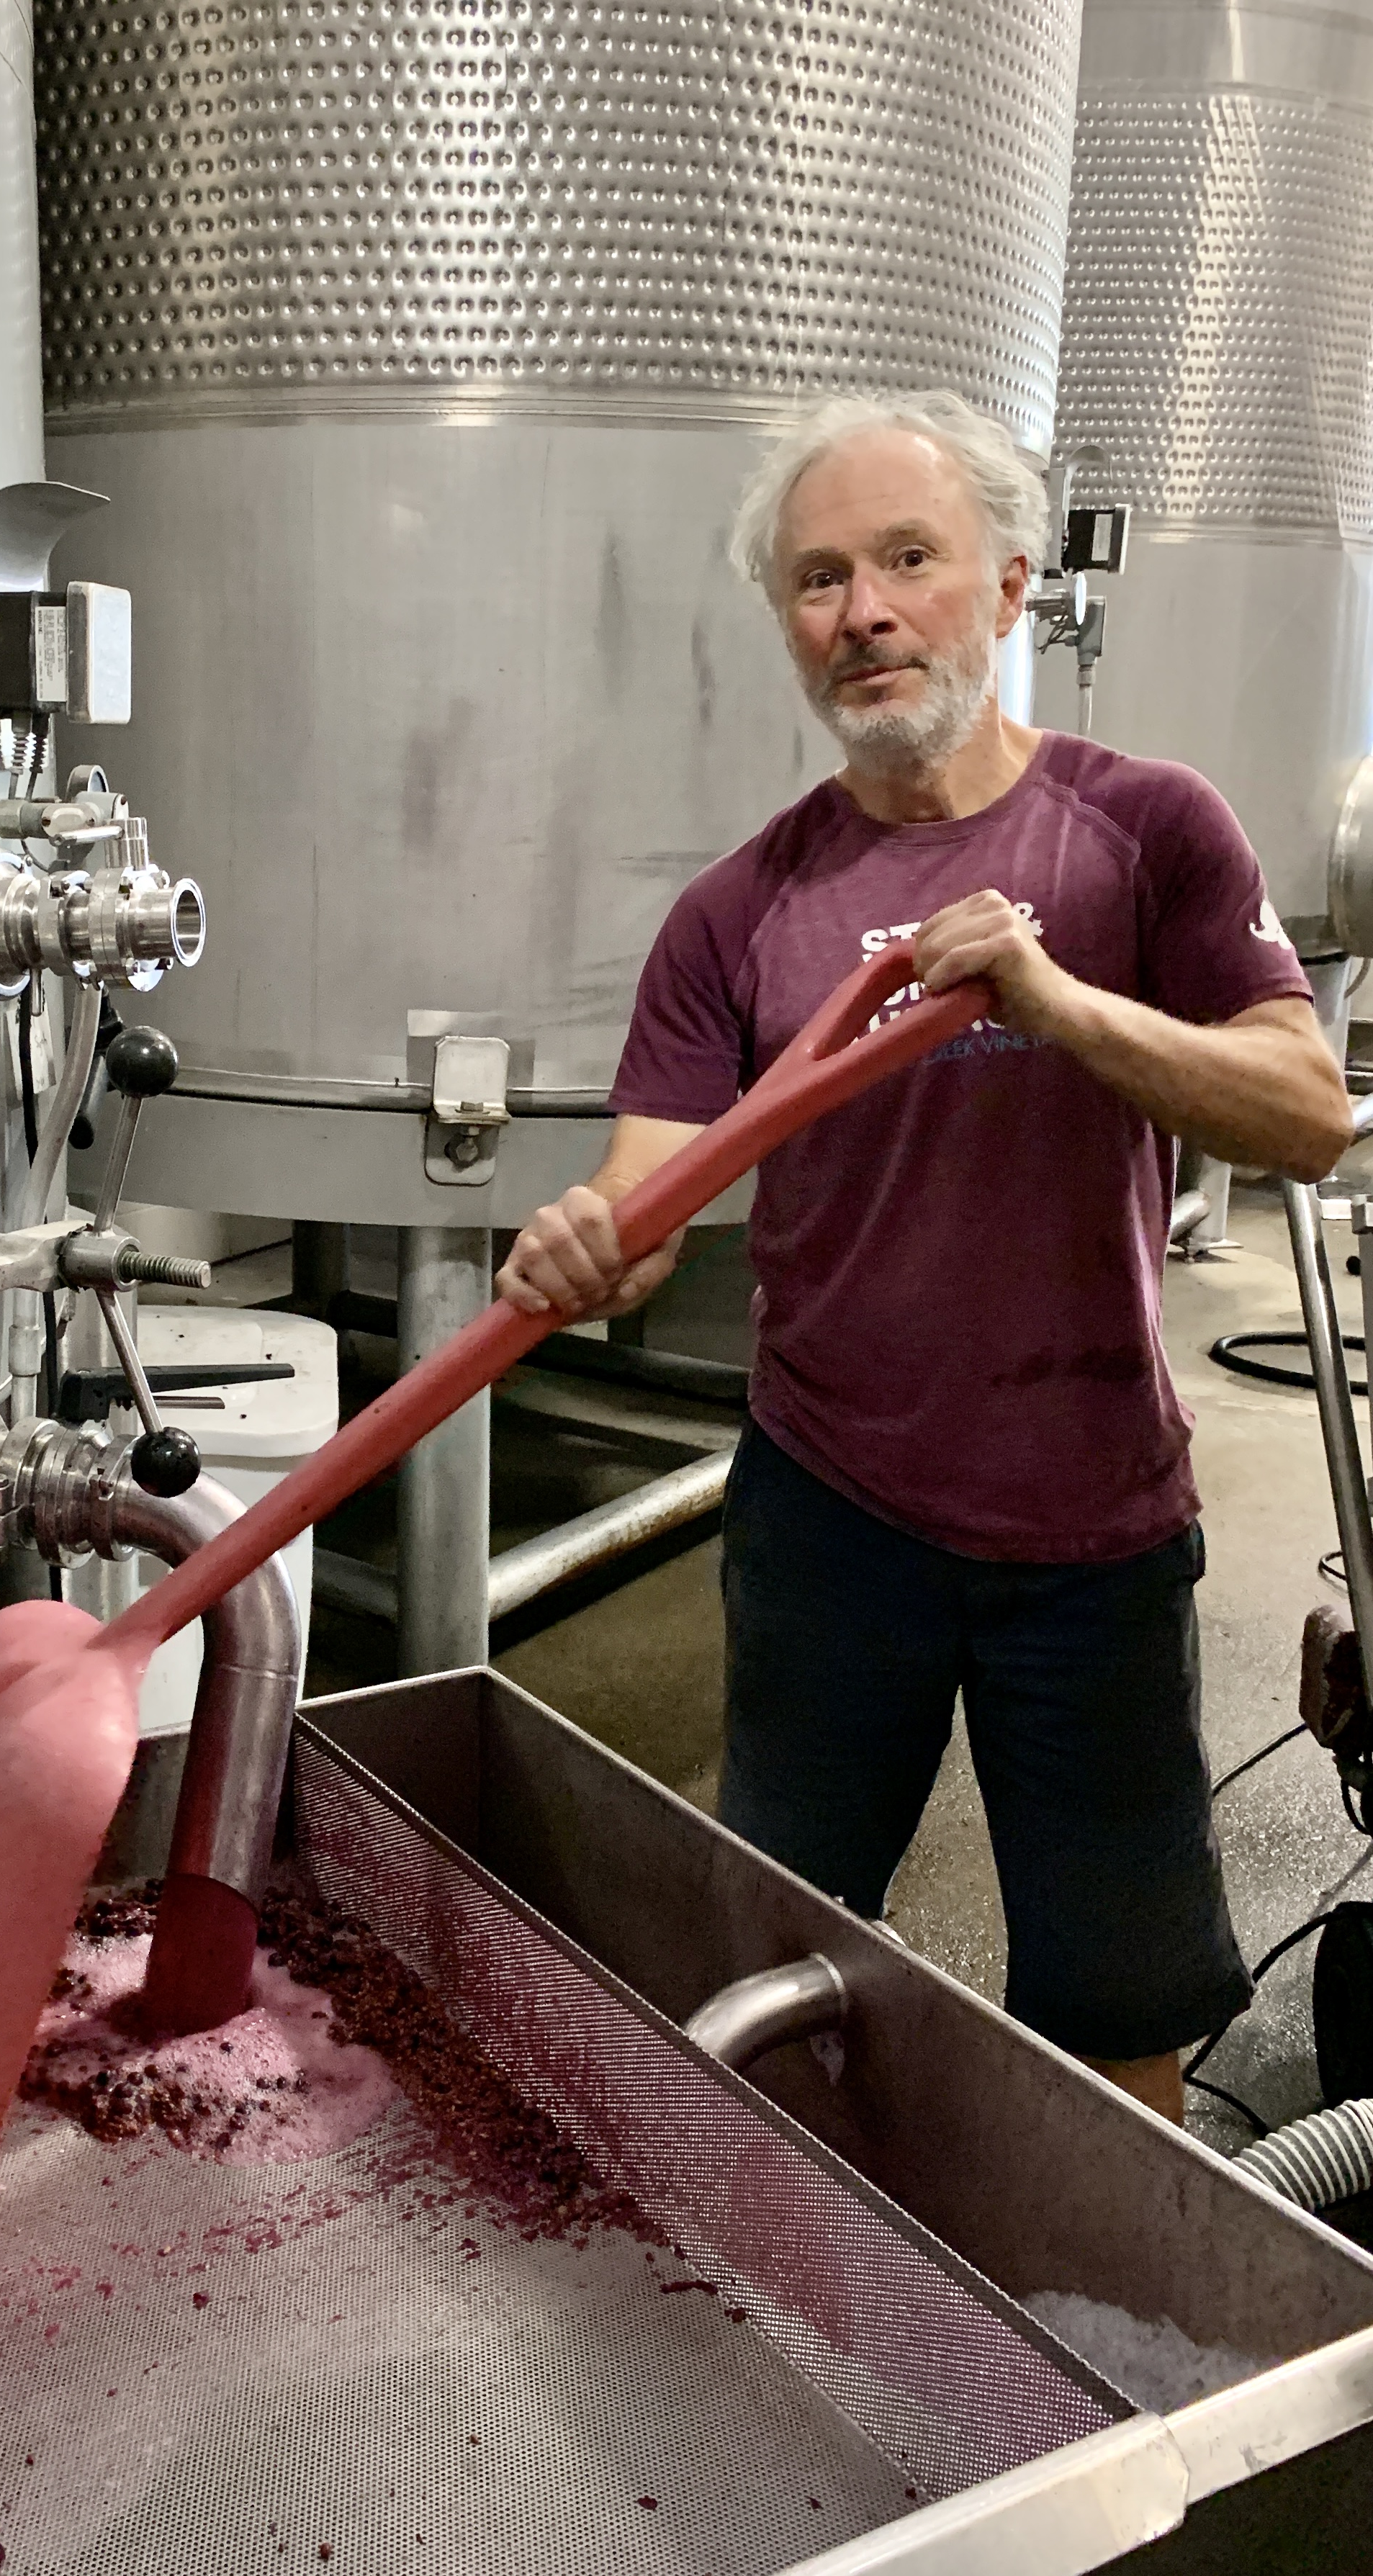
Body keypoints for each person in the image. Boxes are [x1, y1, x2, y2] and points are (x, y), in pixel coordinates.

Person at [495, 390, 1354, 2123]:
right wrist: (588, 1245)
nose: (863, 612)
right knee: (773, 1952)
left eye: (907, 560)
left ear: (1012, 581)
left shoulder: (1147, 828)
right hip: (831, 1516)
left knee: (1116, 2002)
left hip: (1094, 1513)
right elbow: (645, 1211)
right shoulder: (737, 912)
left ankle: (1119, 2342)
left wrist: (1052, 998)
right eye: (819, 580)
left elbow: (1308, 1111)